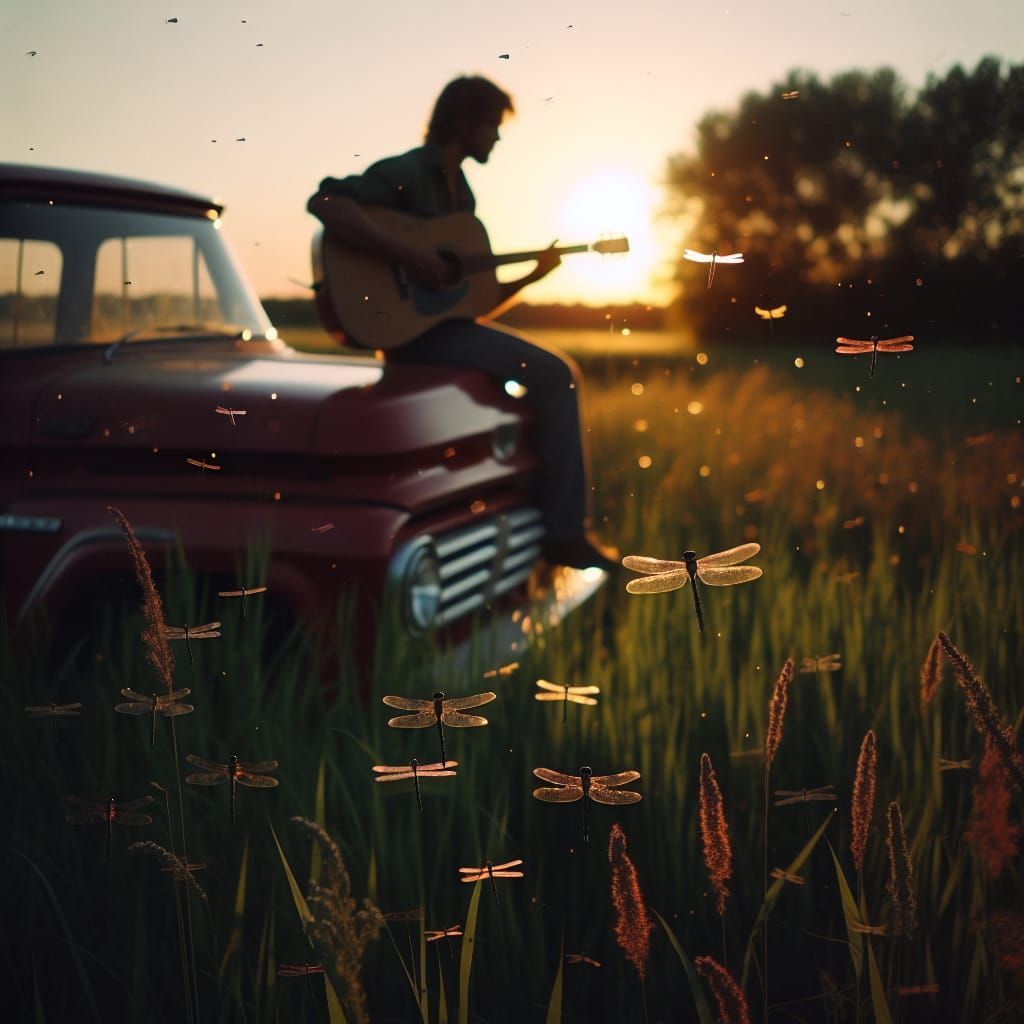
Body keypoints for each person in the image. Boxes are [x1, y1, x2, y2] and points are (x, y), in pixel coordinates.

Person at [306, 74, 618, 571]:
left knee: (547, 376)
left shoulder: (461, 197)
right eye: (493, 124)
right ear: (466, 122)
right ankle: (564, 533)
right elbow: (325, 203)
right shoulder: (409, 171)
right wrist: (409, 254)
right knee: (557, 375)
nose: (497, 136)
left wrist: (532, 276)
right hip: (412, 339)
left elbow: (465, 305)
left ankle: (519, 515)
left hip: (442, 330)